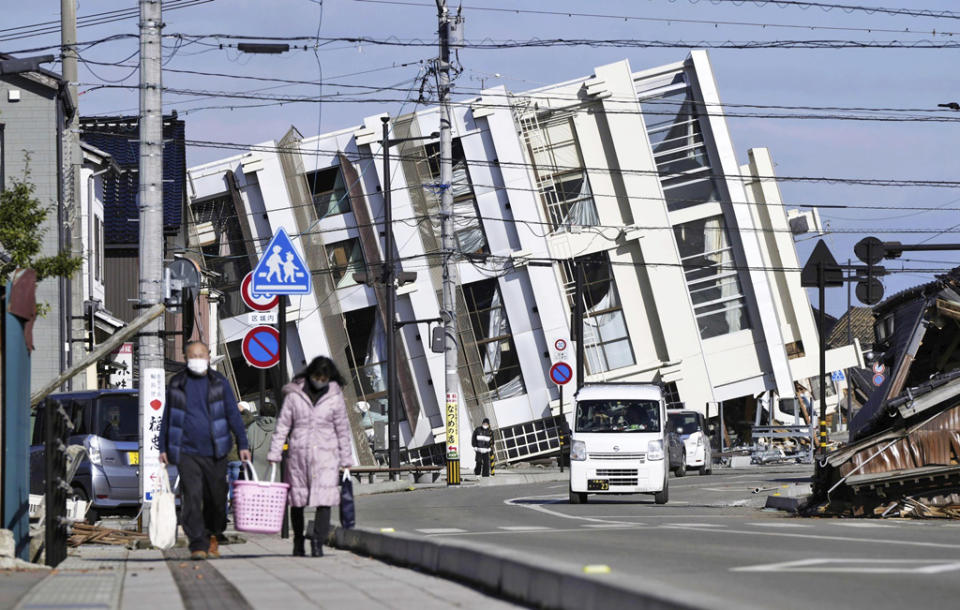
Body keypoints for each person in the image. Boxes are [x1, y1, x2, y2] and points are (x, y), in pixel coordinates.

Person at [159, 341, 250, 561]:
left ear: (208, 357)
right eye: (193, 355)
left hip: (216, 450)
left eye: (201, 355)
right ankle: (198, 543)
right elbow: (167, 417)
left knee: (216, 498)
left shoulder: (220, 383)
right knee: (192, 497)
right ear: (185, 357)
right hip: (186, 450)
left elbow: (233, 414)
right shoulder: (177, 383)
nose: (197, 358)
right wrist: (163, 447)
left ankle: (213, 535)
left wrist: (243, 443)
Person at [268, 356, 354, 557]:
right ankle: (298, 541)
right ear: (310, 374)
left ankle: (317, 542)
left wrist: (346, 459)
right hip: (299, 454)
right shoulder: (294, 396)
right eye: (317, 376)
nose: (320, 380)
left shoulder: (335, 397)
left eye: (324, 377)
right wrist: (275, 452)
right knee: (297, 501)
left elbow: (342, 428)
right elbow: (282, 426)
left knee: (324, 500)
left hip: (326, 455)